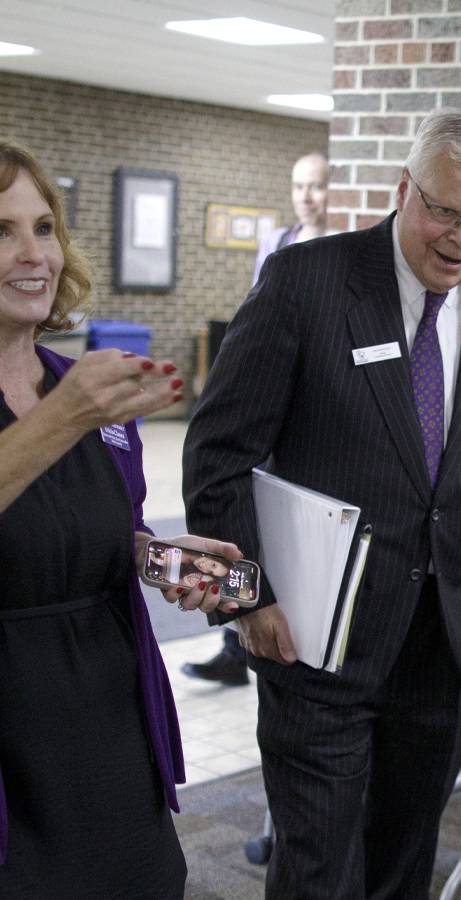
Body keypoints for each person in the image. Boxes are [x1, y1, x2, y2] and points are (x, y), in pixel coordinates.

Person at [0, 137, 244, 898]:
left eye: (44, 228)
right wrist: (62, 417)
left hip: (106, 729)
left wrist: (159, 558)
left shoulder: (82, 388)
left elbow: (89, 526)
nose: (35, 254)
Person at [184, 108, 461, 900]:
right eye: (445, 211)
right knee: (317, 872)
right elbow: (218, 458)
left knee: (403, 866)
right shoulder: (306, 284)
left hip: (446, 651)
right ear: (403, 189)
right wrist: (250, 600)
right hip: (314, 642)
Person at [185, 148, 334, 687]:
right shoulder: (278, 245)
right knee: (248, 510)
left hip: (315, 405)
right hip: (272, 399)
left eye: (316, 185)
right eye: (298, 186)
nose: (306, 197)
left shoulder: (343, 252)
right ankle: (236, 634)